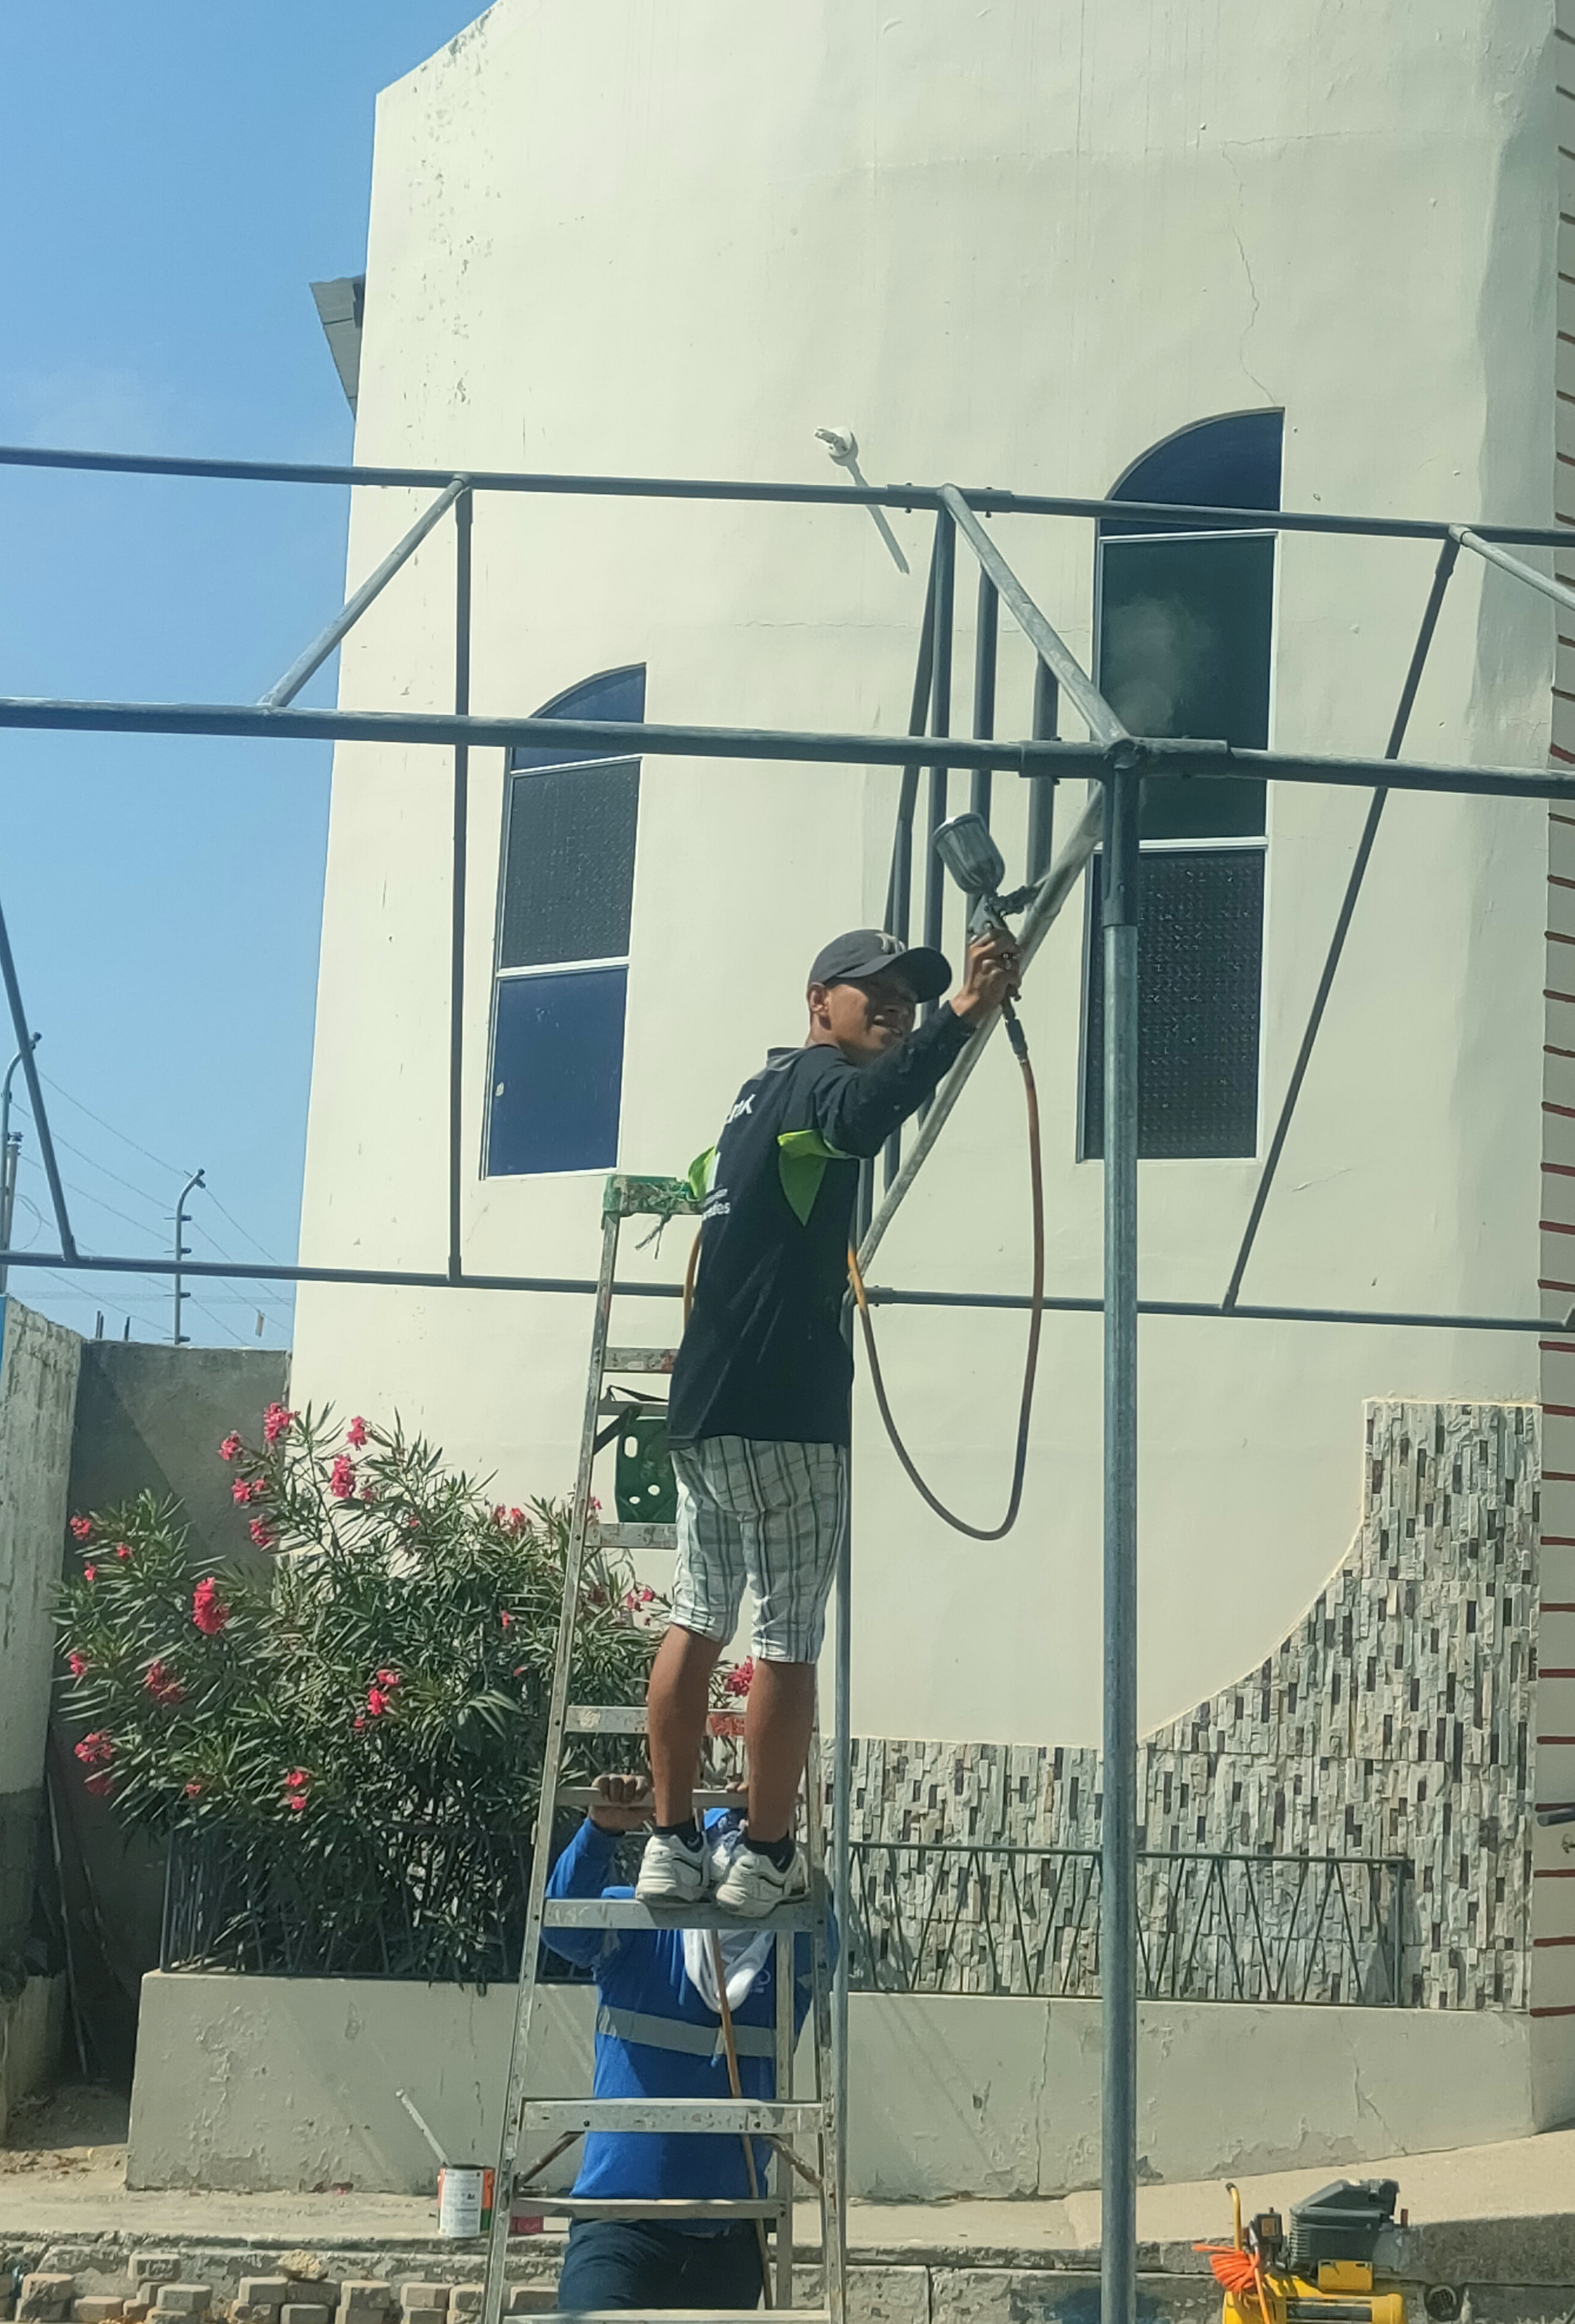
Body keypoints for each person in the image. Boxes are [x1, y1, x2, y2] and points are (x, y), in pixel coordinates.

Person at [641, 925, 1019, 1918]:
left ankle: (671, 1841)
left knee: (697, 1617)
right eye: (872, 991)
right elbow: (867, 1110)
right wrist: (963, 1013)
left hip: (706, 1408)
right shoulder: (818, 1084)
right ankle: (766, 1852)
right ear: (819, 1002)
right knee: (786, 1637)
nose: (894, 1005)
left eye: (909, 994)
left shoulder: (756, 1093)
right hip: (785, 1411)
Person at [544, 1772, 813, 2315]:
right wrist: (600, 1833)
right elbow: (562, 1926)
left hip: (729, 2235)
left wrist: (773, 1803)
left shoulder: (789, 1947)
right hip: (619, 2227)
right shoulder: (642, 1924)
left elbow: (827, 1918)